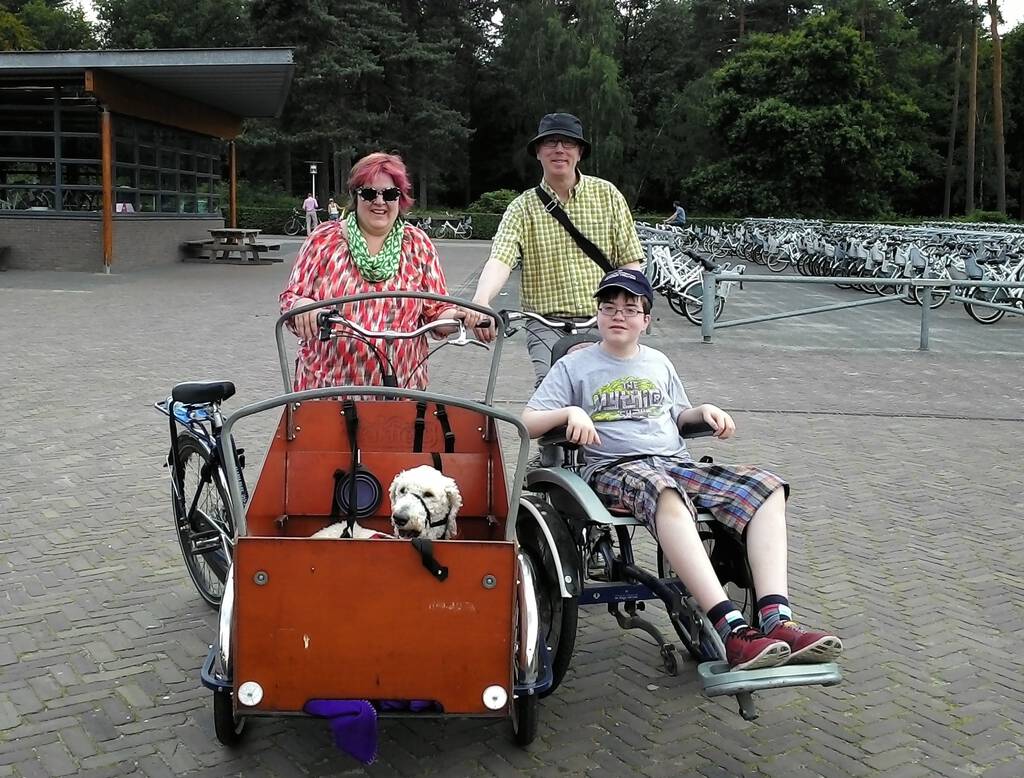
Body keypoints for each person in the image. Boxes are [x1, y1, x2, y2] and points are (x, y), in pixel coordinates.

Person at [521, 268, 843, 671]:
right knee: (664, 491)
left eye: (630, 309)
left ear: (646, 319)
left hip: (673, 463)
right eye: (609, 308)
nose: (618, 315)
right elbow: (528, 421)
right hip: (613, 468)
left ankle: (779, 620)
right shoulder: (574, 367)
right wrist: (569, 412)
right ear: (598, 316)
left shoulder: (658, 361)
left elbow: (676, 415)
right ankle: (731, 630)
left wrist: (702, 411)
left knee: (766, 487)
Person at [468, 112, 645, 387]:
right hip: (544, 323)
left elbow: (630, 262)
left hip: (604, 319)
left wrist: (636, 306)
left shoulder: (607, 195)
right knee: (551, 390)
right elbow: (501, 258)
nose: (559, 150)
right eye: (550, 142)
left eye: (568, 143)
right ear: (538, 152)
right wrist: (480, 301)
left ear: (580, 151)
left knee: (611, 392)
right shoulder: (522, 207)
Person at [280, 152, 469, 391]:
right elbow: (290, 300)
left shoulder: (418, 244)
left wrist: (460, 318)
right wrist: (302, 305)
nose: (379, 201)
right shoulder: (323, 239)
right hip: (326, 391)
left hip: (400, 390)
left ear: (400, 199)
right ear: (355, 196)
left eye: (390, 194)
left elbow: (436, 312)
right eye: (369, 193)